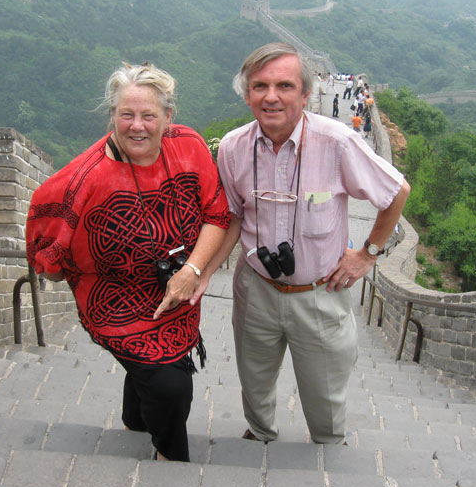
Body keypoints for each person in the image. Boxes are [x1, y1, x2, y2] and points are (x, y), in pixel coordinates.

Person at [195, 42, 409, 445]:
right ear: (247, 94)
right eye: (260, 86)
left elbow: (396, 191)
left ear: (305, 94)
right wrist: (204, 272)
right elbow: (234, 217)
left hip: (320, 293)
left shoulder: (337, 142)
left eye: (284, 86)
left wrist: (368, 254)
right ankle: (259, 433)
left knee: (325, 394)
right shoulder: (232, 147)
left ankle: (326, 449)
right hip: (256, 286)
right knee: (254, 378)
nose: (271, 96)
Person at [26, 62, 230, 461]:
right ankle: (170, 460)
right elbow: (43, 237)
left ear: (168, 117)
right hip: (114, 303)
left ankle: (135, 423)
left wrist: (192, 270)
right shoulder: (84, 180)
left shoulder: (188, 146)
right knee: (172, 386)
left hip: (177, 288)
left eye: (149, 115)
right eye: (126, 114)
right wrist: (55, 264)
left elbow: (216, 214)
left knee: (151, 368)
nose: (137, 126)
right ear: (112, 116)